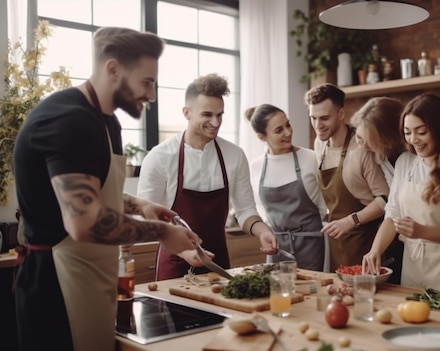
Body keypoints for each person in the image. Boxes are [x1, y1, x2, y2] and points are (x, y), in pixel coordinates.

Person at [12, 27, 200, 351]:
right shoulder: (68, 120)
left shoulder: (106, 121)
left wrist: (139, 204)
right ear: (113, 69)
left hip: (91, 278)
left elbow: (87, 192)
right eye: (146, 81)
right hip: (55, 285)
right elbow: (83, 222)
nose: (152, 95)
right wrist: (163, 233)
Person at [138, 73, 277, 280]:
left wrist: (262, 230)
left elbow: (246, 210)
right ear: (187, 112)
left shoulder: (234, 155)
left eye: (220, 115)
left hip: (218, 265)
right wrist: (184, 251)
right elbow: (147, 220)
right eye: (207, 115)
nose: (215, 122)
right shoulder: (159, 157)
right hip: (175, 266)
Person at [362, 94, 440, 293]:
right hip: (413, 269)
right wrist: (375, 250)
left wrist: (423, 232)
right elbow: (392, 213)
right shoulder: (405, 162)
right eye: (407, 132)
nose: (413, 140)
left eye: (421, 132)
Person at [304, 83, 389, 271]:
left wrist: (351, 221)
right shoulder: (320, 143)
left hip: (366, 241)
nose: (318, 126)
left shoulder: (361, 149)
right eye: (313, 118)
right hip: (338, 242)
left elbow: (385, 199)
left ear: (341, 114)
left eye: (324, 118)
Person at [245, 104, 327, 271]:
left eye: (288, 125)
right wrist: (265, 231)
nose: (288, 132)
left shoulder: (311, 158)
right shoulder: (256, 166)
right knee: (277, 293)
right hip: (276, 246)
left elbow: (324, 205)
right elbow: (260, 207)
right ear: (262, 137)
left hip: (312, 244)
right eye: (279, 130)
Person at [350, 96, 406, 283]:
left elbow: (392, 204)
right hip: (394, 234)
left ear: (387, 140)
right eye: (358, 137)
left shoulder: (406, 159)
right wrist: (375, 250)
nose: (362, 145)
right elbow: (393, 209)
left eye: (368, 141)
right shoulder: (378, 154)